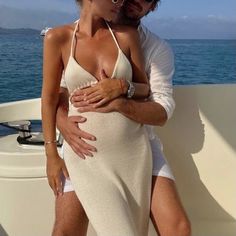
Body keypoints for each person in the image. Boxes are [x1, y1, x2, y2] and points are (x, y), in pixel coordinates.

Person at [55, 0, 191, 236]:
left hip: (137, 144)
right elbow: (56, 94)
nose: (136, 1)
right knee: (66, 231)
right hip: (82, 144)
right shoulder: (73, 36)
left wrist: (120, 97)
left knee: (178, 228)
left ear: (152, 8)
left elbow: (162, 111)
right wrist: (62, 124)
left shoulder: (157, 48)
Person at [42, 0, 155, 236]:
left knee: (136, 230)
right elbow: (50, 99)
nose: (121, 2)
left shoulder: (127, 36)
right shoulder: (58, 38)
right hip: (87, 157)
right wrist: (51, 154)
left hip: (132, 155)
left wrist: (121, 85)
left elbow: (144, 88)